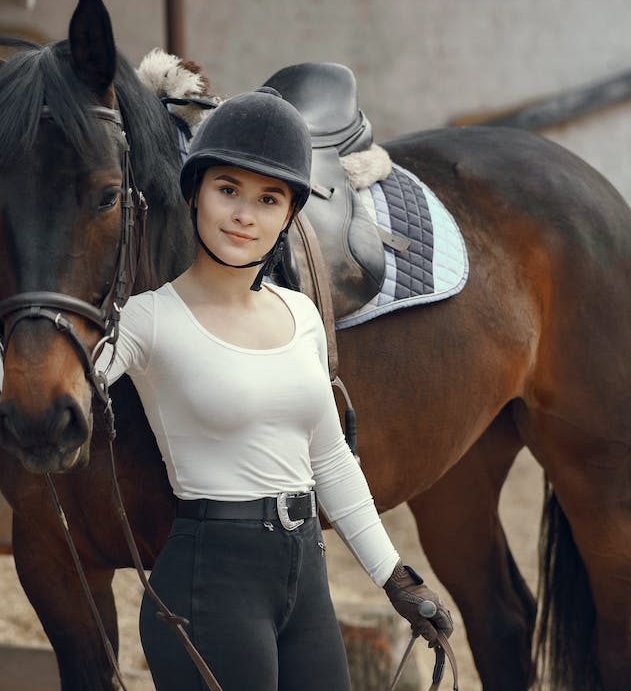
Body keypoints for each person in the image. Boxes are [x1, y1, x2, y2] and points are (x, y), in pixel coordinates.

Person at [96, 86, 454, 690]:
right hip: (209, 584)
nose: (244, 214)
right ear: (195, 194)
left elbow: (331, 459)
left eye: (268, 199)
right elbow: (57, 387)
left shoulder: (301, 314)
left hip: (304, 575)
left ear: (289, 215)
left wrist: (394, 576)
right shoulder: (146, 318)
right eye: (228, 189)